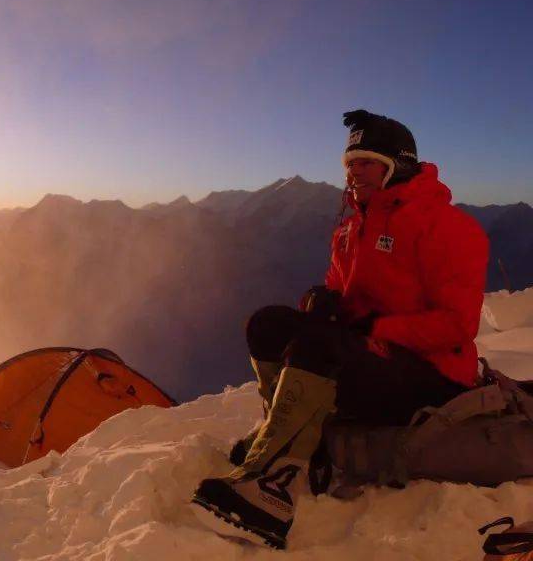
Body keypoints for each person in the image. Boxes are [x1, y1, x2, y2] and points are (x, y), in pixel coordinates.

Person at [190, 110, 490, 550]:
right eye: (350, 163)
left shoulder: (448, 229)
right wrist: (324, 301)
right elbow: (341, 291)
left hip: (434, 373)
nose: (354, 173)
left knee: (317, 345)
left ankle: (272, 491)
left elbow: (457, 326)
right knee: (267, 324)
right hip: (374, 354)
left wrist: (377, 326)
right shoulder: (353, 228)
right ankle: (285, 435)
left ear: (398, 166)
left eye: (367, 162)